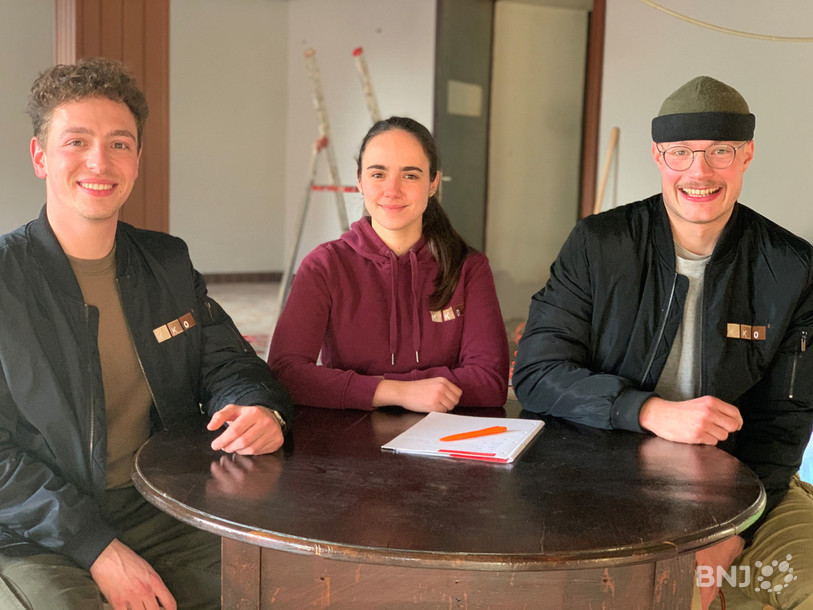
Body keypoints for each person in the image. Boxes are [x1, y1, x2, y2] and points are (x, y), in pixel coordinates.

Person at [0, 57, 292, 609]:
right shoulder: (6, 280)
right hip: (33, 526)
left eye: (119, 143)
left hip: (156, 502)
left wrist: (257, 409)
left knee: (276, 585)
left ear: (137, 159)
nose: (99, 161)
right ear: (40, 156)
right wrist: (98, 549)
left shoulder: (166, 262)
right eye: (76, 141)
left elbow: (229, 361)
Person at [513, 76, 813, 609]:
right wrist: (648, 410)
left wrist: (731, 534)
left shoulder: (793, 269)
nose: (700, 173)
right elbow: (537, 374)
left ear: (746, 155)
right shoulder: (597, 244)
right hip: (598, 471)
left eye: (720, 151)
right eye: (681, 153)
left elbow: (782, 423)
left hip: (740, 483)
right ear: (658, 155)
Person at [269, 116, 509, 412]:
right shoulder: (325, 266)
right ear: (359, 180)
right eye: (378, 174)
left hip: (443, 442)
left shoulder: (469, 267)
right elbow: (285, 373)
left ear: (433, 183)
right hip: (348, 443)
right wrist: (394, 392)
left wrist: (355, 387)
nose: (392, 190)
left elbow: (489, 383)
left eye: (410, 175)